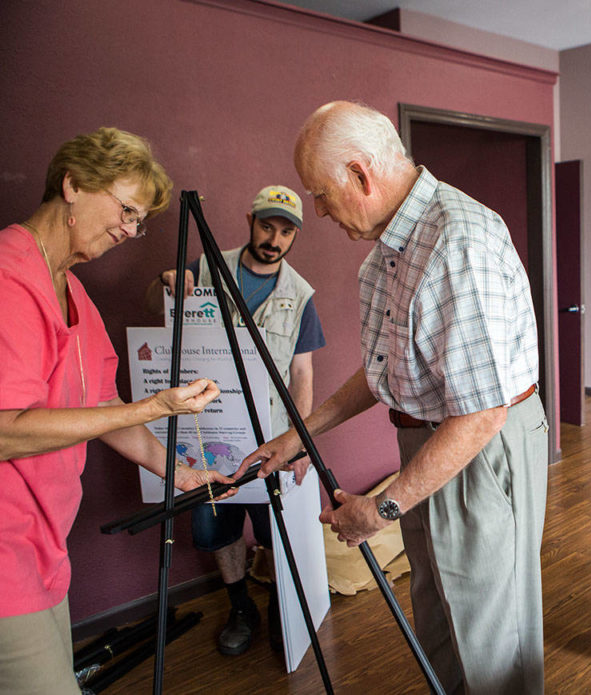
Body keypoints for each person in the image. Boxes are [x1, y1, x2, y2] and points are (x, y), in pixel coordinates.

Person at [242, 101, 548, 694]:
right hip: (432, 442)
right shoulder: (391, 247)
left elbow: (482, 412)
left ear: (360, 174)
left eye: (322, 194)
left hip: (478, 446)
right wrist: (297, 434)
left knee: (489, 635)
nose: (321, 210)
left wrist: (380, 508)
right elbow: (386, 369)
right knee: (440, 621)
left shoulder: (457, 239)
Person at [0, 127, 231, 695]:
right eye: (126, 210)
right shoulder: (10, 278)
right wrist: (150, 406)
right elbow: (5, 431)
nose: (130, 230)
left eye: (140, 220)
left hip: (43, 545)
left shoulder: (74, 292)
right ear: (73, 185)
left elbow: (103, 404)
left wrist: (182, 474)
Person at [145, 185, 326, 655]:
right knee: (217, 526)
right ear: (250, 219)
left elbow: (302, 372)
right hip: (210, 433)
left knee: (274, 530)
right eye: (267, 226)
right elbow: (152, 309)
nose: (275, 238)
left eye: (286, 231)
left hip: (271, 436)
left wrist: (300, 441)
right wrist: (163, 283)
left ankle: (281, 606)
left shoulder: (300, 294)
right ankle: (240, 604)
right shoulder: (205, 268)